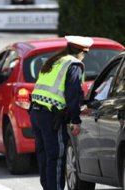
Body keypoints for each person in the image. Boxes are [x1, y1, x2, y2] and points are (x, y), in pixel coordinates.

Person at [30, 36, 93, 190]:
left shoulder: (54, 61)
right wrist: (75, 120)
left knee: (44, 155)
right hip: (52, 116)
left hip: (36, 112)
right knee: (57, 156)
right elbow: (73, 94)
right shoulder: (73, 64)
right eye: (85, 53)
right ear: (81, 52)